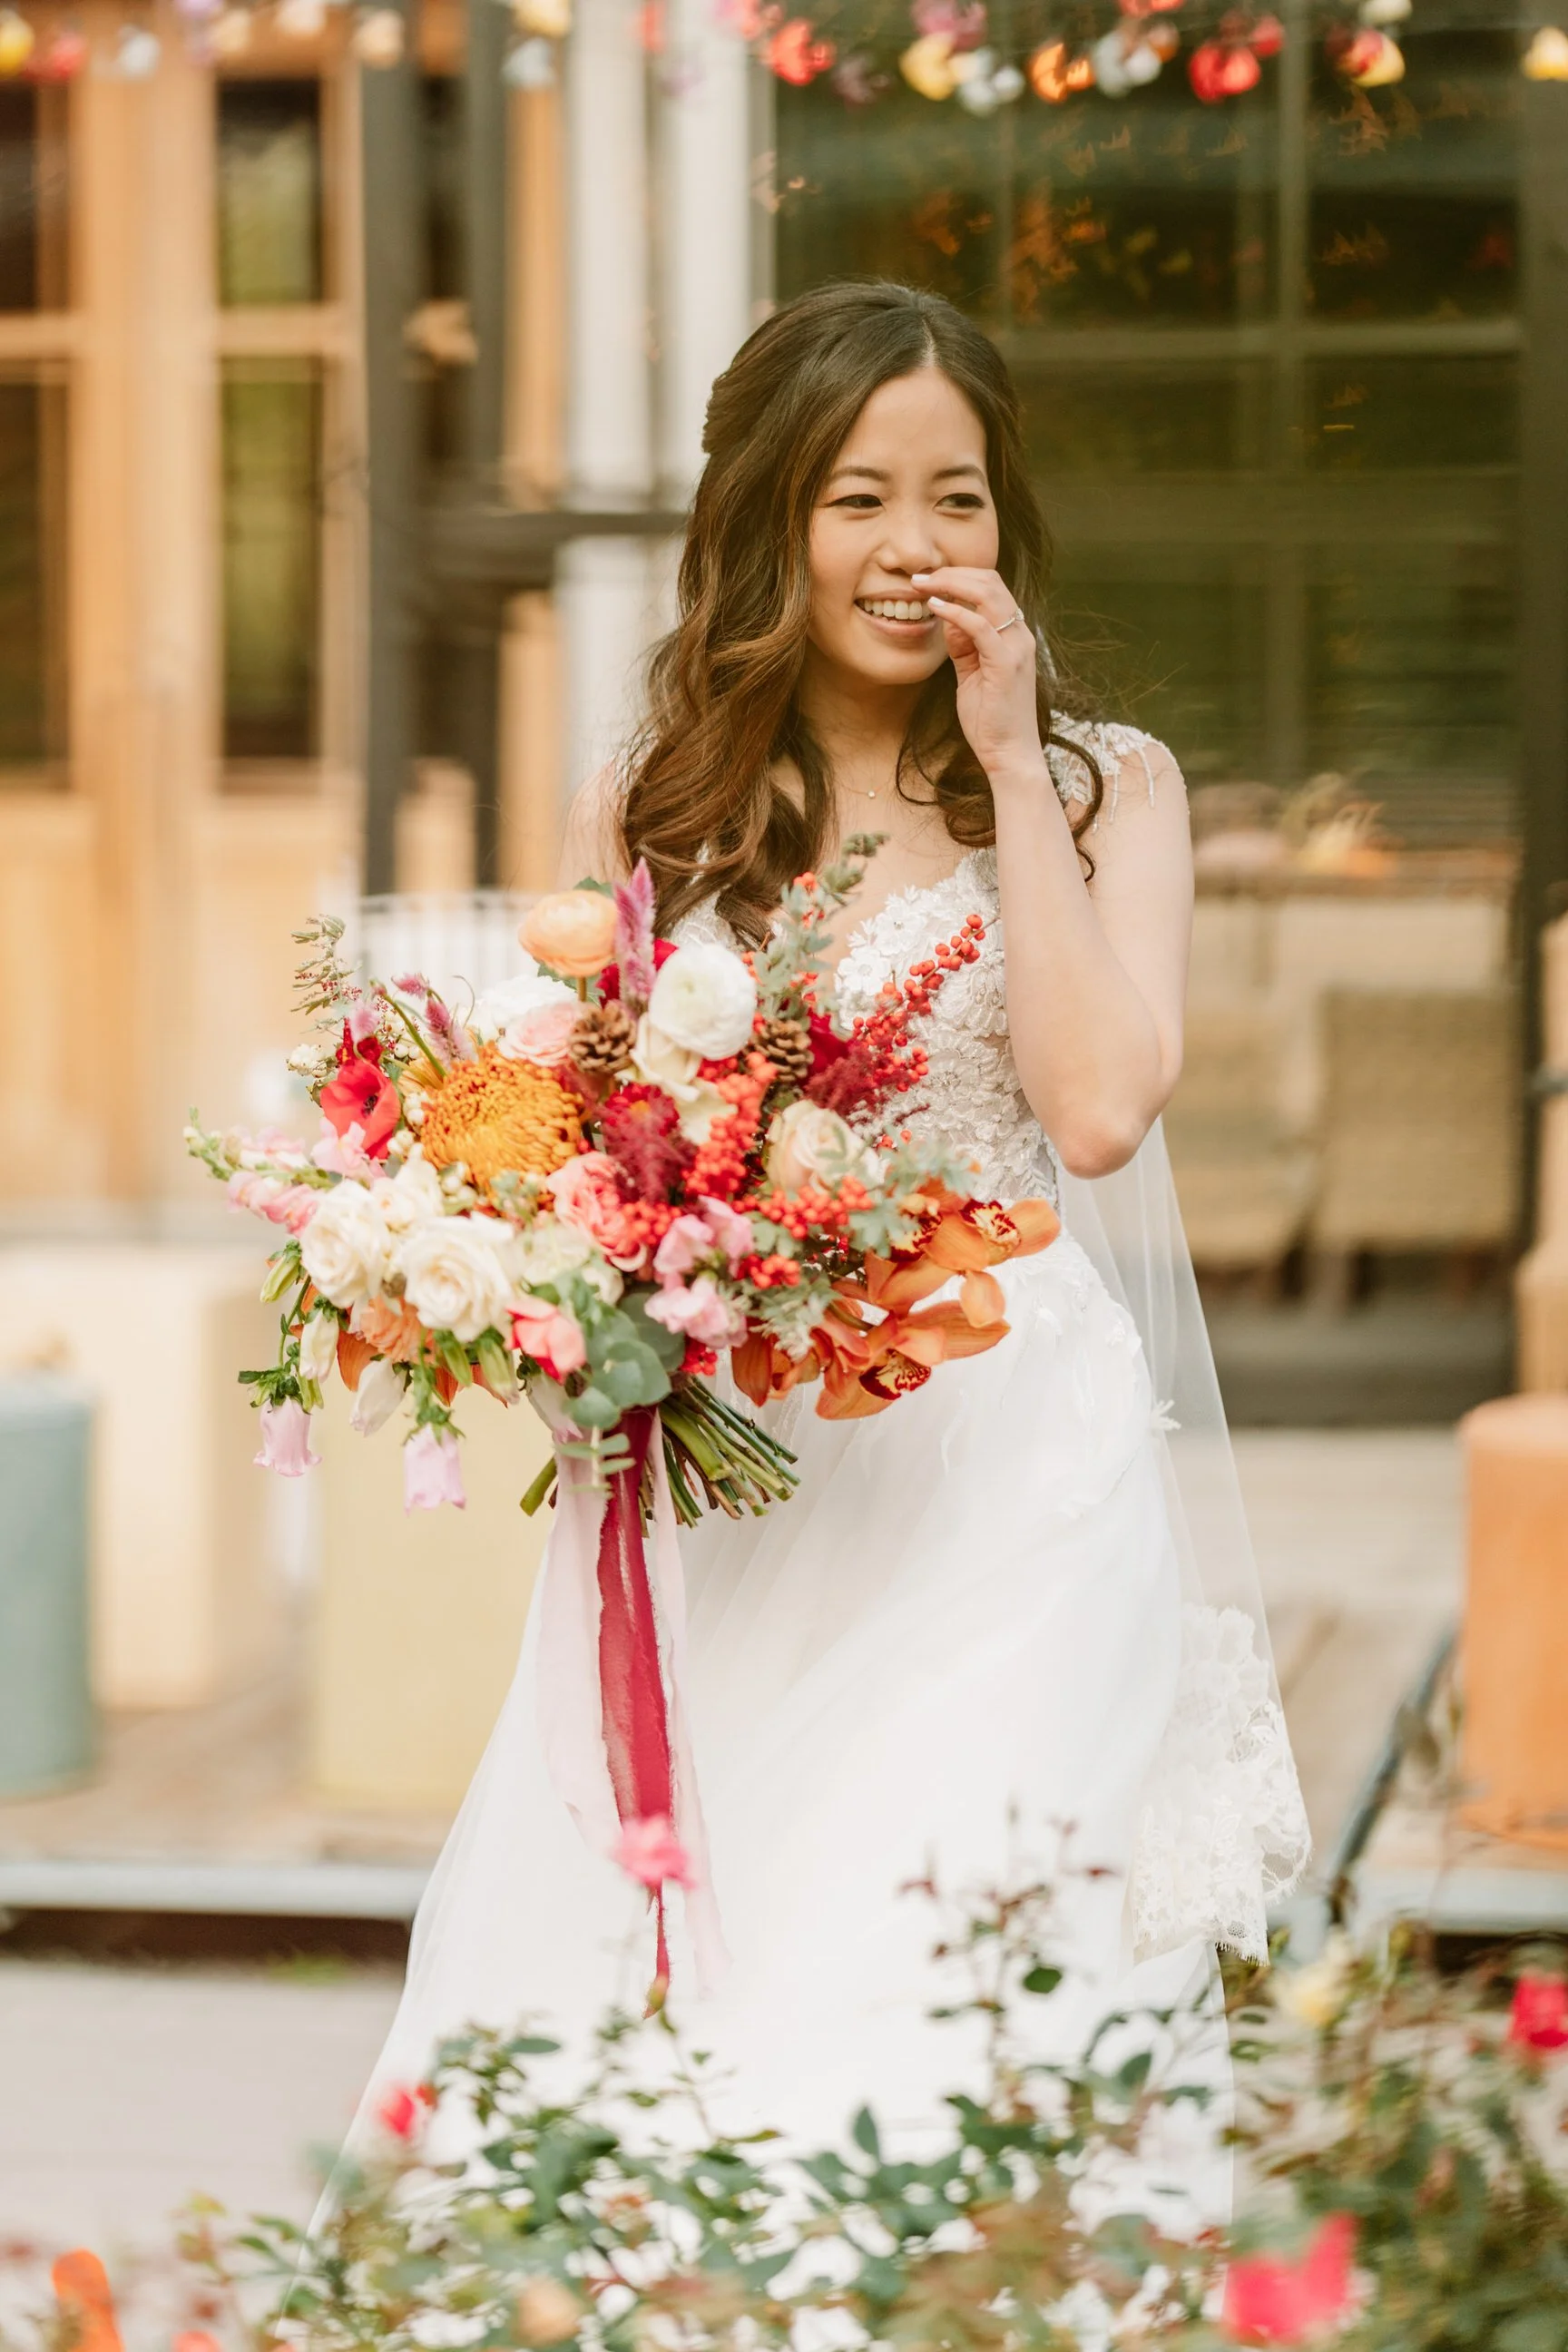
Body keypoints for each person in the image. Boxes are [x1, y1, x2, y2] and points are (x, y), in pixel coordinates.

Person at [355, 281, 1309, 2188]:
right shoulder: (658, 805)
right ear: (772, 521)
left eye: (955, 498)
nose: (912, 546)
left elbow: (1105, 1102)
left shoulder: (1114, 787)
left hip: (1016, 1477)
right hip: (760, 1485)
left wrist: (1014, 758)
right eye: (859, 497)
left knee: (935, 1974)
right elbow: (586, 1153)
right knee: (718, 1997)